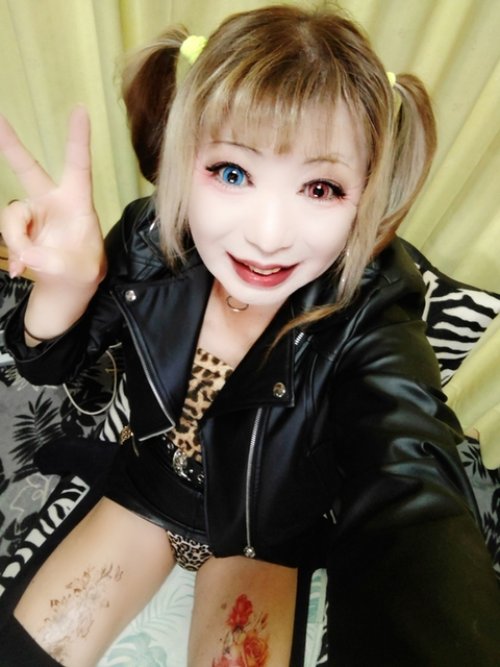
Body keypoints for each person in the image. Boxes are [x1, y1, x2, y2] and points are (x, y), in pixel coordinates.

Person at [0, 4, 499, 666]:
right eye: (232, 173)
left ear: (366, 194)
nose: (268, 236)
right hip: (149, 488)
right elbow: (48, 366)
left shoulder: (375, 303)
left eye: (321, 187)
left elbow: (410, 471)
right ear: (185, 159)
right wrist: (67, 289)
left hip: (267, 533)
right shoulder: (151, 237)